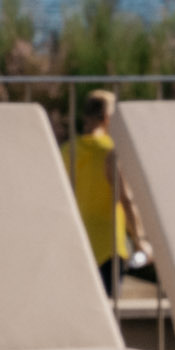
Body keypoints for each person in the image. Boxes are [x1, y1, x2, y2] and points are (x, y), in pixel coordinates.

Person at [65, 88, 125, 285]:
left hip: (76, 240)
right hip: (109, 242)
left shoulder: (67, 150)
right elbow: (125, 196)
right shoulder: (112, 150)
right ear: (108, 118)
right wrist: (141, 238)